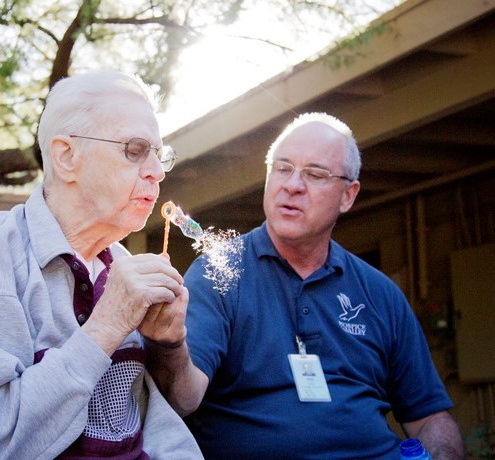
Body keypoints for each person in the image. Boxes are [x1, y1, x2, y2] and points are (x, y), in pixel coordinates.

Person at [0, 70, 202, 459]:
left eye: (159, 154)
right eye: (135, 149)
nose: (158, 171)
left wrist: (169, 345)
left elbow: (182, 406)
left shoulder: (123, 265)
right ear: (66, 156)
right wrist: (109, 323)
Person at [144, 112, 465, 459]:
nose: (293, 184)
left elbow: (429, 417)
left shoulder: (379, 292)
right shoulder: (219, 271)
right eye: (282, 168)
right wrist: (171, 343)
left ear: (348, 195)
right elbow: (182, 399)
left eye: (314, 174)